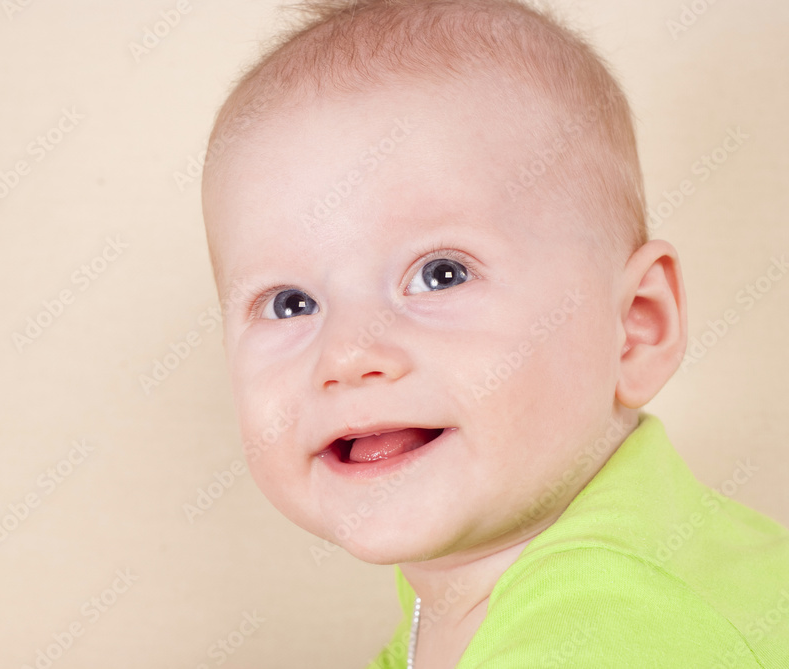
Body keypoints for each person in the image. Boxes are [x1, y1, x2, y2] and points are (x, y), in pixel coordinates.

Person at [199, 1, 789, 666]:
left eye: (441, 273)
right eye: (289, 303)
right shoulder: (466, 578)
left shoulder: (611, 617)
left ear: (633, 328)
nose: (348, 353)